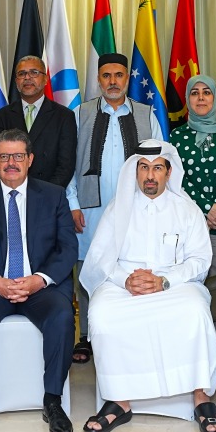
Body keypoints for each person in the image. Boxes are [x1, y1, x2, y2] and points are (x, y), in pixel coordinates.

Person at [80, 140, 216, 432]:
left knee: (195, 310)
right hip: (124, 284)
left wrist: (164, 281)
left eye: (157, 168)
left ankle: (200, 397)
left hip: (174, 285)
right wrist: (126, 280)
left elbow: (200, 261)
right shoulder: (117, 209)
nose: (150, 175)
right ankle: (119, 399)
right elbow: (99, 257)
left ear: (169, 172)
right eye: (144, 168)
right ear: (135, 172)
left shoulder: (187, 209)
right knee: (103, 313)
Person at [0, 129, 77, 432]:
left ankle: (53, 401)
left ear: (30, 159)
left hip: (40, 288)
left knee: (63, 317)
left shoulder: (53, 195)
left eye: (18, 156)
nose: (11, 162)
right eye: (5, 156)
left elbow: (67, 250)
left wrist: (39, 280)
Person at [65, 52, 163, 364]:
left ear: (127, 78)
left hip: (135, 209)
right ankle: (86, 337)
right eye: (106, 76)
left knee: (130, 263)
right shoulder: (81, 113)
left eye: (118, 76)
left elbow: (160, 161)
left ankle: (128, 330)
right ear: (99, 79)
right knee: (88, 268)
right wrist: (72, 204)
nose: (112, 82)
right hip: (90, 208)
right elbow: (69, 164)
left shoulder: (147, 114)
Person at [168, 74, 216, 335]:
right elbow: (177, 179)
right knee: (193, 281)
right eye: (195, 93)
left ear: (214, 97)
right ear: (188, 99)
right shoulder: (176, 137)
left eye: (206, 93)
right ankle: (193, 339)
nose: (201, 98)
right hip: (191, 221)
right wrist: (203, 210)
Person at [0, 55, 76, 188]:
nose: (27, 77)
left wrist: (46, 194)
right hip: (12, 191)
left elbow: (66, 166)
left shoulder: (64, 116)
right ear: (16, 81)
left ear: (45, 79)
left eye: (34, 72)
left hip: (49, 194)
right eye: (22, 74)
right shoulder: (3, 115)